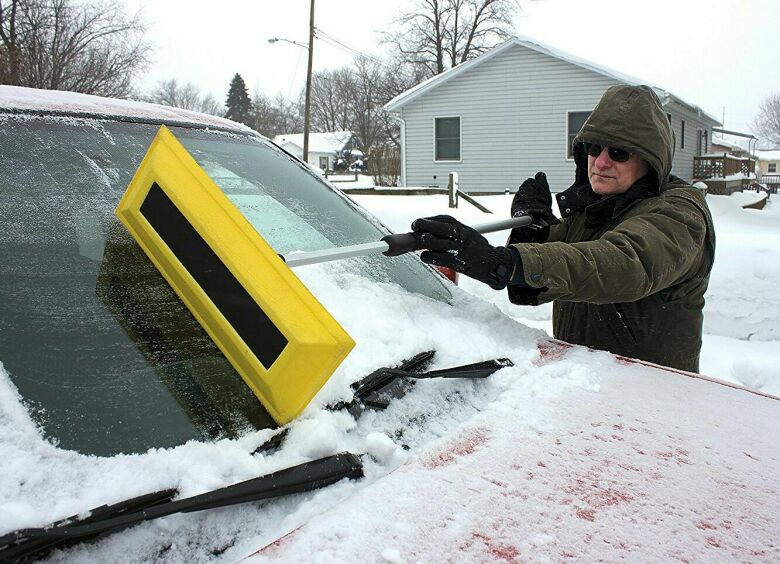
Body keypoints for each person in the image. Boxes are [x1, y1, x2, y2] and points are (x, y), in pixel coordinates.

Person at [412, 85, 715, 372]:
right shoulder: (597, 209)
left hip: (654, 400)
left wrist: (502, 263)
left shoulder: (680, 213)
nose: (601, 162)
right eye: (595, 148)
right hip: (580, 387)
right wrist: (533, 225)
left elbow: (621, 263)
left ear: (651, 160)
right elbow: (551, 269)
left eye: (619, 153)